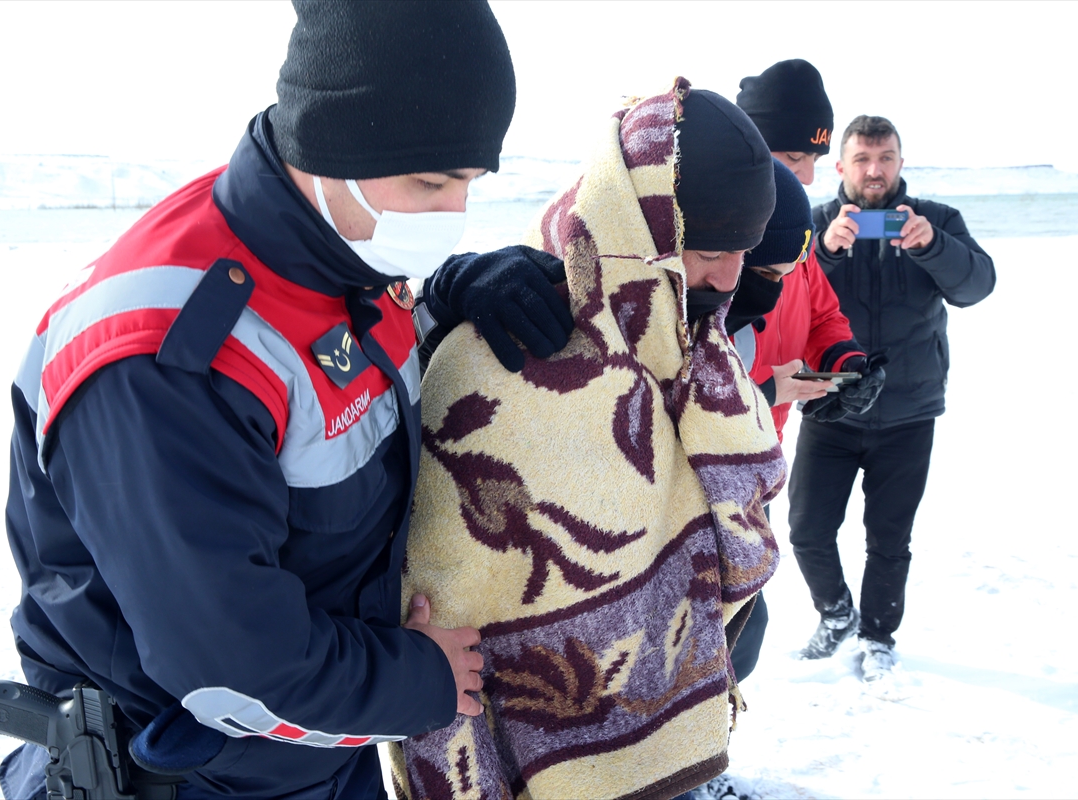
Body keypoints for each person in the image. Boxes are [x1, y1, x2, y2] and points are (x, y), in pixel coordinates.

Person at [0, 2, 576, 798]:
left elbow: (355, 348)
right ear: (334, 145)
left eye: (470, 183)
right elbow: (231, 666)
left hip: (321, 740)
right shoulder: (166, 365)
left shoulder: (337, 245)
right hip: (186, 765)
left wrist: (455, 290)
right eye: (432, 182)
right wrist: (420, 682)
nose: (453, 214)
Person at [393, 79, 786, 800]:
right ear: (649, 228)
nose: (728, 277)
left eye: (747, 251)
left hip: (678, 726)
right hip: (533, 750)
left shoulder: (696, 341)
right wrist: (442, 297)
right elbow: (439, 586)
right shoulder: (505, 342)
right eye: (710, 249)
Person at [789, 114, 996, 680]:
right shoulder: (810, 226)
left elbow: (978, 286)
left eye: (885, 159)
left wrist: (933, 246)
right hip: (831, 406)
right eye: (862, 159)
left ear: (901, 163)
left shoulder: (939, 221)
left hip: (909, 412)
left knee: (889, 539)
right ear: (841, 166)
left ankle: (878, 637)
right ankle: (835, 615)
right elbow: (778, 306)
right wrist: (824, 254)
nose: (874, 171)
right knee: (807, 529)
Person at [716, 60, 882, 685]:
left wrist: (846, 364)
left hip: (764, 452)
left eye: (814, 159)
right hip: (706, 463)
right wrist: (764, 390)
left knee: (740, 626)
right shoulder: (708, 240)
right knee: (725, 628)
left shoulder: (797, 235)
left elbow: (822, 315)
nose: (807, 178)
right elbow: (666, 386)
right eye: (792, 157)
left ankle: (703, 759)